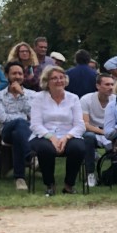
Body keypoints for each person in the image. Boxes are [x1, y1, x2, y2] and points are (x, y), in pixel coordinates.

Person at [29, 65, 86, 195]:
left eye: (61, 77)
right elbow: (35, 124)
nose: (59, 80)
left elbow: (80, 125)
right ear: (47, 82)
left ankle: (69, 185)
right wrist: (51, 137)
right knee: (46, 149)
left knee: (78, 148)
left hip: (69, 135)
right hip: (43, 135)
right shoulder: (38, 98)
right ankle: (50, 185)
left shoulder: (73, 98)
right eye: (54, 78)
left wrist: (66, 138)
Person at [0, 61, 38, 190]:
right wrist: (21, 120)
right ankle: (30, 156)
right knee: (20, 123)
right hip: (5, 131)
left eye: (20, 73)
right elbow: (2, 118)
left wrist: (22, 94)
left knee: (17, 135)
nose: (17, 76)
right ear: (7, 75)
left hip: (27, 132)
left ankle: (20, 178)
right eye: (14, 73)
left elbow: (34, 115)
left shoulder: (32, 95)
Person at [80, 72, 116, 187]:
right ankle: (90, 174)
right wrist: (103, 132)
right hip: (93, 132)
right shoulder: (86, 99)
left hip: (111, 131)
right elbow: (85, 124)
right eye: (107, 84)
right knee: (88, 137)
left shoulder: (116, 100)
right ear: (98, 86)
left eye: (112, 84)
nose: (111, 87)